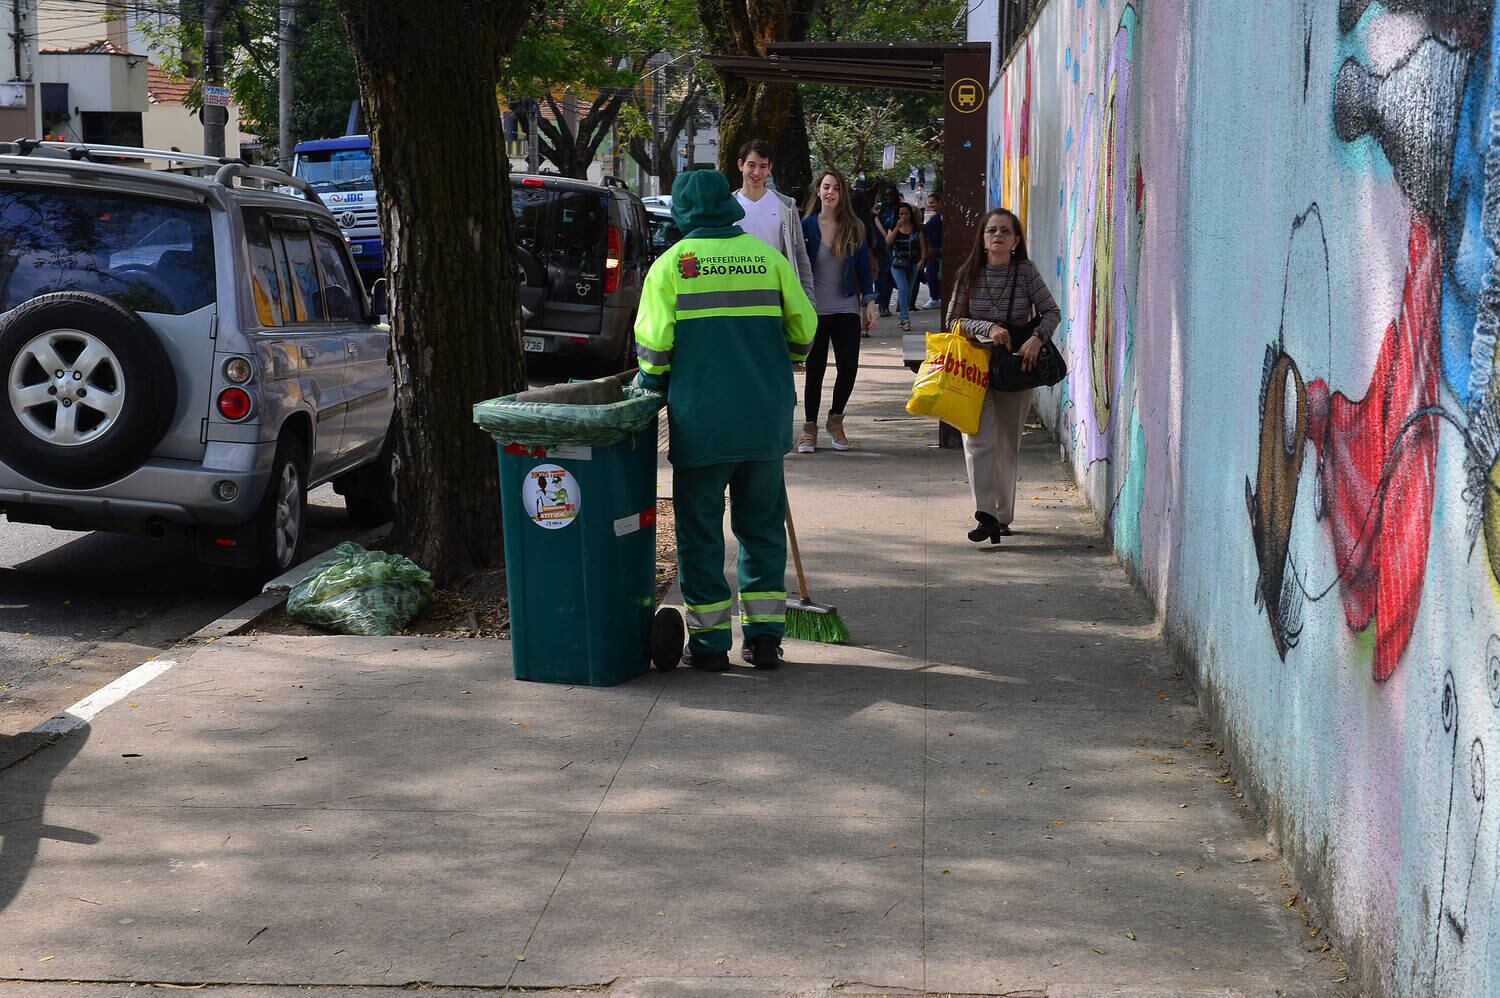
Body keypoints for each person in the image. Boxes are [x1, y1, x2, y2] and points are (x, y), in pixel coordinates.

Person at [634, 170, 818, 670]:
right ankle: (763, 640)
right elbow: (804, 331)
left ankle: (711, 647)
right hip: (763, 421)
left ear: (685, 214)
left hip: (702, 423)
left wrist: (650, 387)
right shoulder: (768, 260)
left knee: (701, 534)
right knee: (761, 530)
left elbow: (653, 354)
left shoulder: (672, 266)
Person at [946, 208, 1061, 543]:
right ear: (982, 239)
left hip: (1015, 367)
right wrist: (986, 327)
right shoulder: (968, 274)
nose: (998, 235)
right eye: (991, 230)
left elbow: (1052, 311)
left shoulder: (1025, 272)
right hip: (974, 367)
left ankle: (1002, 514)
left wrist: (1036, 340)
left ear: (1015, 240)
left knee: (1008, 443)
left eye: (1005, 231)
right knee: (978, 440)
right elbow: (953, 322)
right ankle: (986, 515)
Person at [798, 169, 876, 453]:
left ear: (843, 194)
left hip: (846, 308)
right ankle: (809, 428)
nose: (830, 192)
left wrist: (870, 302)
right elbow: (797, 268)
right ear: (818, 191)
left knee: (848, 367)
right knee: (815, 370)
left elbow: (864, 270)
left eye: (836, 188)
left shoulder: (854, 228)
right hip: (815, 310)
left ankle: (836, 419)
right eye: (826, 187)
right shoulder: (805, 227)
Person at [732, 138, 816, 305]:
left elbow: (799, 255)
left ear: (770, 168)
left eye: (763, 166)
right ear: (741, 165)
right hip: (737, 296)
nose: (756, 172)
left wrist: (809, 300)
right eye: (751, 165)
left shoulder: (786, 206)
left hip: (776, 296)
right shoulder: (726, 207)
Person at [873, 201, 921, 331]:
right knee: (903, 288)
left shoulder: (916, 228)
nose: (903, 216)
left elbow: (923, 246)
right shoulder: (894, 227)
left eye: (906, 213)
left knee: (908, 292)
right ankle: (905, 319)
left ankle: (902, 316)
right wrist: (896, 228)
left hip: (912, 263)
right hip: (897, 263)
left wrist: (922, 261)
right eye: (901, 214)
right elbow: (887, 242)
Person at [872, 186, 901, 316]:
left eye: (891, 195)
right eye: (887, 195)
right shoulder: (880, 209)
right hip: (881, 246)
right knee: (881, 277)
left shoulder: (899, 208)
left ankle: (886, 305)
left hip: (895, 246)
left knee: (889, 278)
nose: (889, 197)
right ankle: (882, 305)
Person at [919, 191, 943, 310]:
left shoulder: (942, 215)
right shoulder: (936, 215)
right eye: (929, 203)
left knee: (932, 273)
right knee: (930, 273)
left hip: (938, 251)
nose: (931, 205)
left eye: (933, 202)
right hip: (933, 250)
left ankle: (935, 298)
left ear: (939, 201)